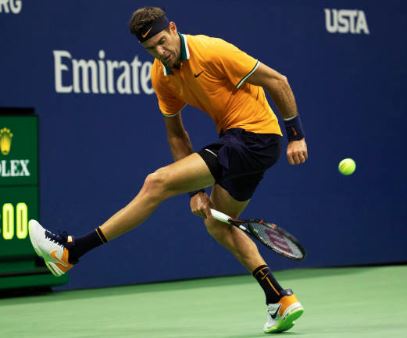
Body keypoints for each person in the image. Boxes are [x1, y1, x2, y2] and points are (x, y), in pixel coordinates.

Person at [29, 6, 308, 334]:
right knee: (218, 225)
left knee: (156, 183)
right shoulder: (160, 75)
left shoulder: (213, 51)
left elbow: (278, 80)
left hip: (255, 137)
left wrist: (296, 135)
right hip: (240, 144)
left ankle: (71, 251)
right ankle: (279, 298)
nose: (161, 52)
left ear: (173, 29)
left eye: (163, 42)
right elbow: (176, 133)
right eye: (150, 49)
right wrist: (196, 191)